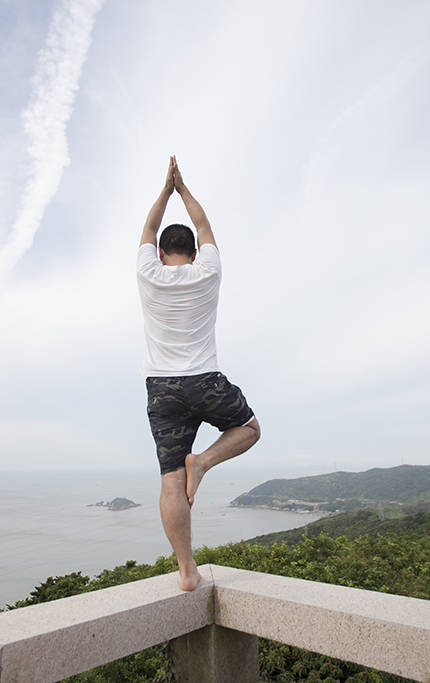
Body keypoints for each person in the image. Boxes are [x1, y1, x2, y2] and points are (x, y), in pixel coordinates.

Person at [136, 156, 261, 591]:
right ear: (192, 253)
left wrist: (164, 191)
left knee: (171, 480)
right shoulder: (207, 272)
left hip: (162, 388)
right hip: (205, 379)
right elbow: (204, 224)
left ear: (160, 253)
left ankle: (186, 572)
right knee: (249, 428)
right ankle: (204, 463)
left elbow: (148, 231)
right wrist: (184, 190)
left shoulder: (147, 273)